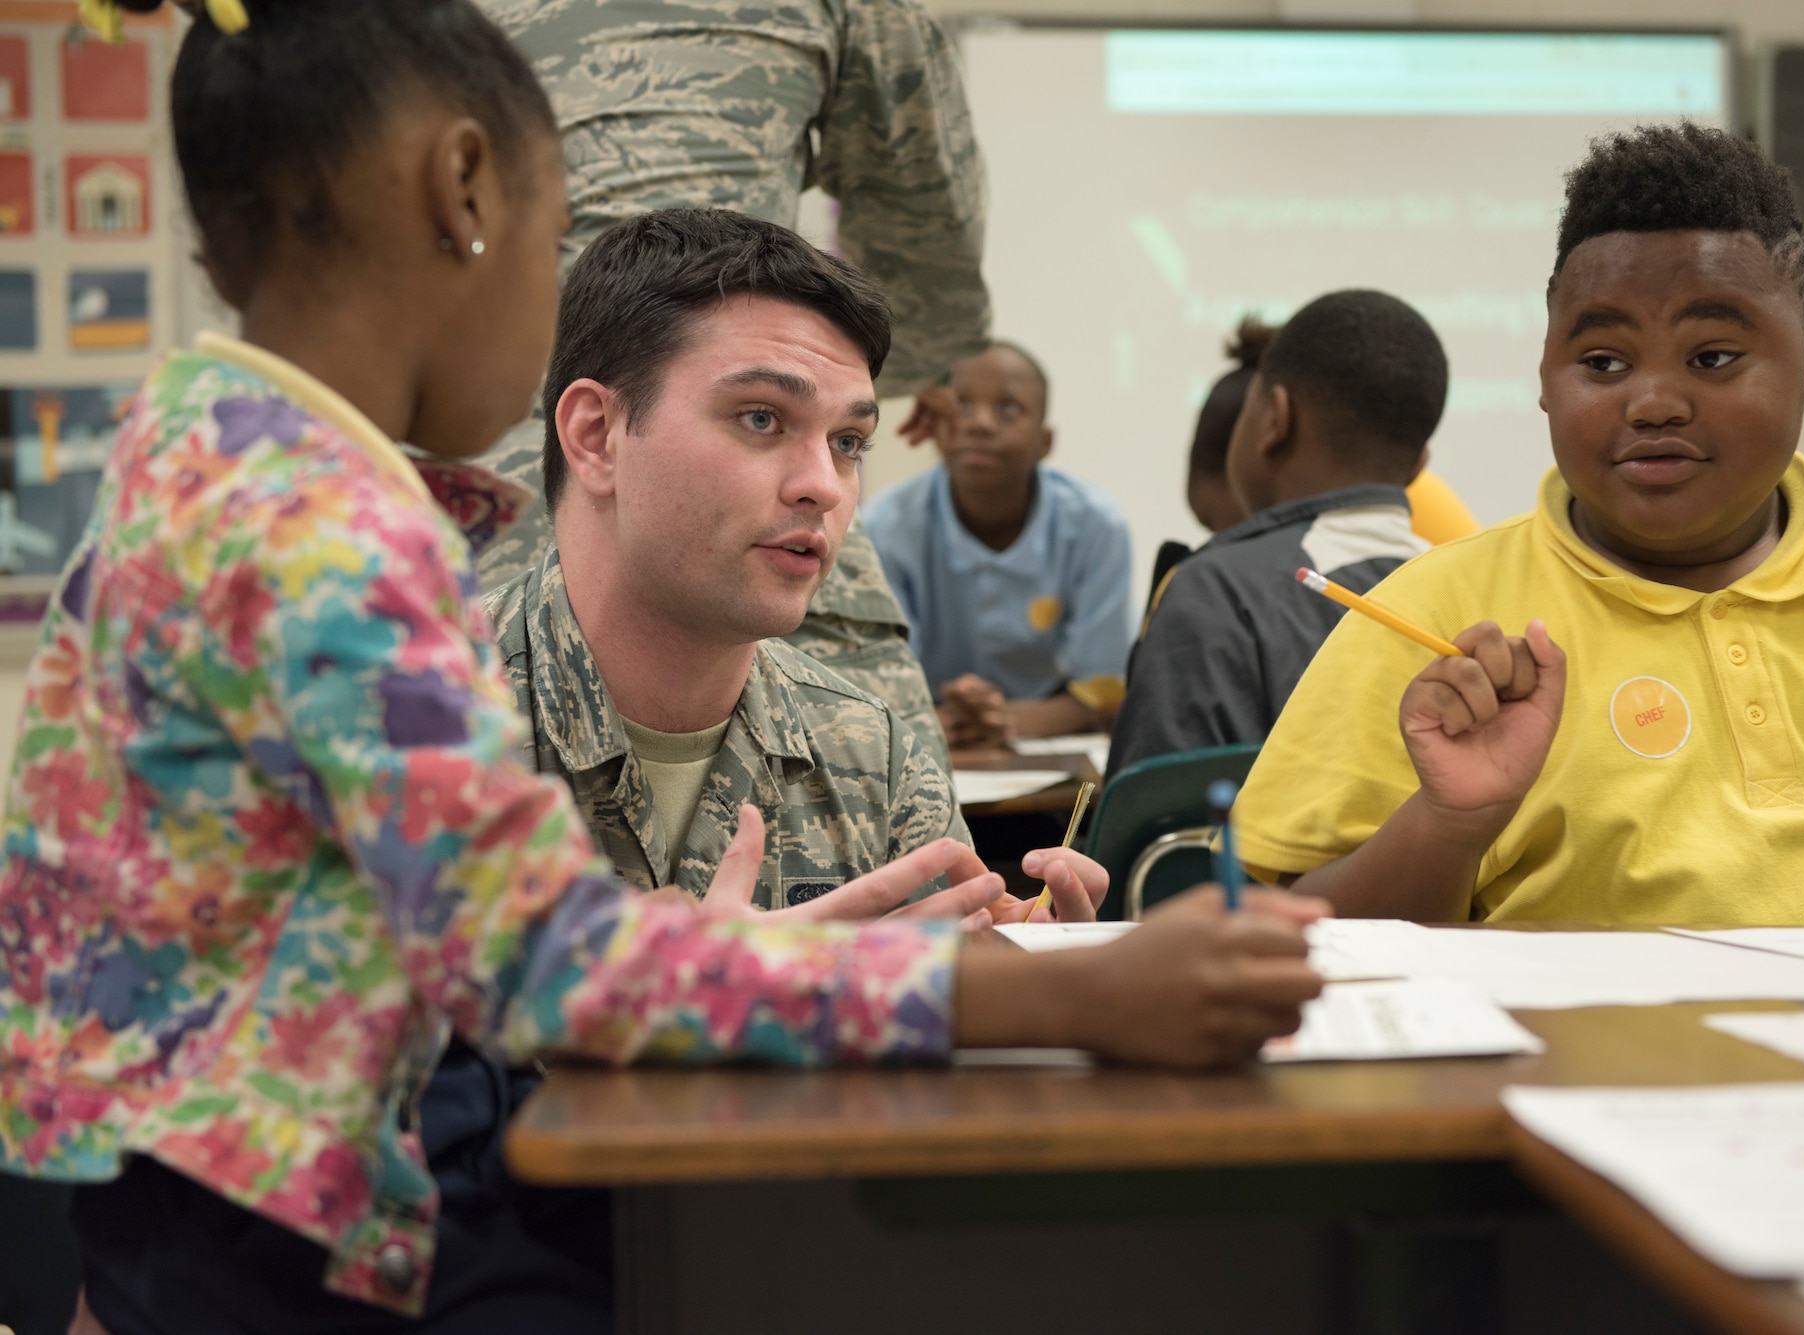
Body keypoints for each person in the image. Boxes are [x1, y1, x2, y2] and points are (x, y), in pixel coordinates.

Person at [0, 5, 1328, 1331]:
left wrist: (748, 959)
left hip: (202, 1200)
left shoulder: (190, 448)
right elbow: (548, 963)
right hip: (290, 1246)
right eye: (553, 232)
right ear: (462, 188)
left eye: (845, 438)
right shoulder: (325, 533)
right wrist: (1082, 988)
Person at [1233, 121, 1804, 928]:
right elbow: (1292, 943)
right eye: (1603, 362)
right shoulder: (1431, 617)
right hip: (1562, 1058)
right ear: (1545, 379)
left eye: (1712, 356)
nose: (1653, 401)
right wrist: (1447, 822)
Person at [489, 207, 1110, 917]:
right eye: (762, 418)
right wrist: (753, 999)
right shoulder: (421, 712)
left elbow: (962, 976)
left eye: (848, 441)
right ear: (597, 436)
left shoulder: (873, 757)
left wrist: (1028, 983)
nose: (822, 484)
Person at [472, 0, 989, 769]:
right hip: (716, 425)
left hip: (491, 478)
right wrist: (839, 378)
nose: (828, 480)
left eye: (852, 441)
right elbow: (926, 229)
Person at [1109, 291, 1449, 777]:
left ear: (1274, 419)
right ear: (1418, 465)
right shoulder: (1479, 591)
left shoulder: (1216, 593)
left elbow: (1157, 843)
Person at [867, 341, 1135, 747]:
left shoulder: (1096, 527)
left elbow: (1100, 697)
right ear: (936, 425)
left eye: (1008, 408)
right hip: (929, 736)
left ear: (1045, 442)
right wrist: (946, 721)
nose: (980, 424)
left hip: (1047, 747)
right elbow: (876, 691)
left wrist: (1003, 721)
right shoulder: (884, 526)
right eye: (962, 405)